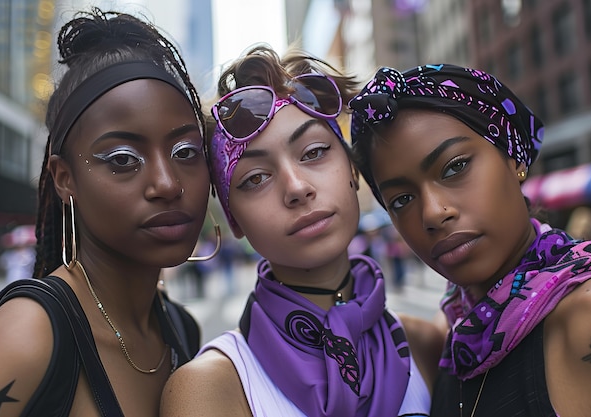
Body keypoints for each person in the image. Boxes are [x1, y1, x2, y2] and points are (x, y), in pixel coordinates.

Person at [160, 45, 444, 417]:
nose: (296, 187)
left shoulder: (426, 346)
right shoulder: (208, 390)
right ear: (234, 219)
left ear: (353, 170)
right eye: (256, 177)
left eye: (313, 152)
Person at [348, 64, 591, 416]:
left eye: (455, 167)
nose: (433, 213)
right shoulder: (455, 331)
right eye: (401, 200)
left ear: (513, 157)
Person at [0, 8, 217, 416]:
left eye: (186, 152)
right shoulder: (30, 334)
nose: (168, 184)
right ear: (64, 178)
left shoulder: (182, 329)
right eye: (122, 159)